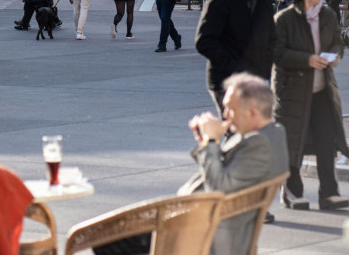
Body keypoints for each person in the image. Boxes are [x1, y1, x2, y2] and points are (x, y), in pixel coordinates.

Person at [94, 74, 288, 255]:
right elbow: (227, 174)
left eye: (231, 109)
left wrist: (211, 143)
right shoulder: (270, 133)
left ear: (252, 112)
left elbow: (218, 188)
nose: (225, 115)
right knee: (109, 234)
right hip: (200, 220)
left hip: (203, 230)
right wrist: (205, 142)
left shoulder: (259, 143)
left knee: (107, 239)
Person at [273, 0, 349, 212]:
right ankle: (292, 192)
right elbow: (277, 53)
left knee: (327, 142)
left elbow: (338, 43)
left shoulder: (327, 15)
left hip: (323, 91)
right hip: (293, 91)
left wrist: (334, 56)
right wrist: (307, 59)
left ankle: (329, 193)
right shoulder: (284, 19)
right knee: (293, 143)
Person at [195, 0, 275, 112]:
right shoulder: (220, 1)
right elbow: (204, 41)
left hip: (255, 79)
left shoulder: (264, 3)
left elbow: (271, 39)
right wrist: (234, 66)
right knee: (236, 124)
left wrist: (265, 69)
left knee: (251, 125)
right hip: (225, 80)